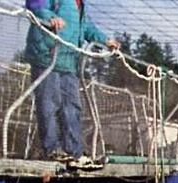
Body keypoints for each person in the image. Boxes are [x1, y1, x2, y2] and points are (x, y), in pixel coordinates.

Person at [24, 0, 119, 168]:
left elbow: (86, 27)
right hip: (47, 57)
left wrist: (106, 40)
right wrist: (50, 17)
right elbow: (35, 4)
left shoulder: (80, 4)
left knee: (72, 107)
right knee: (48, 104)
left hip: (69, 62)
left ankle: (74, 153)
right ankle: (52, 150)